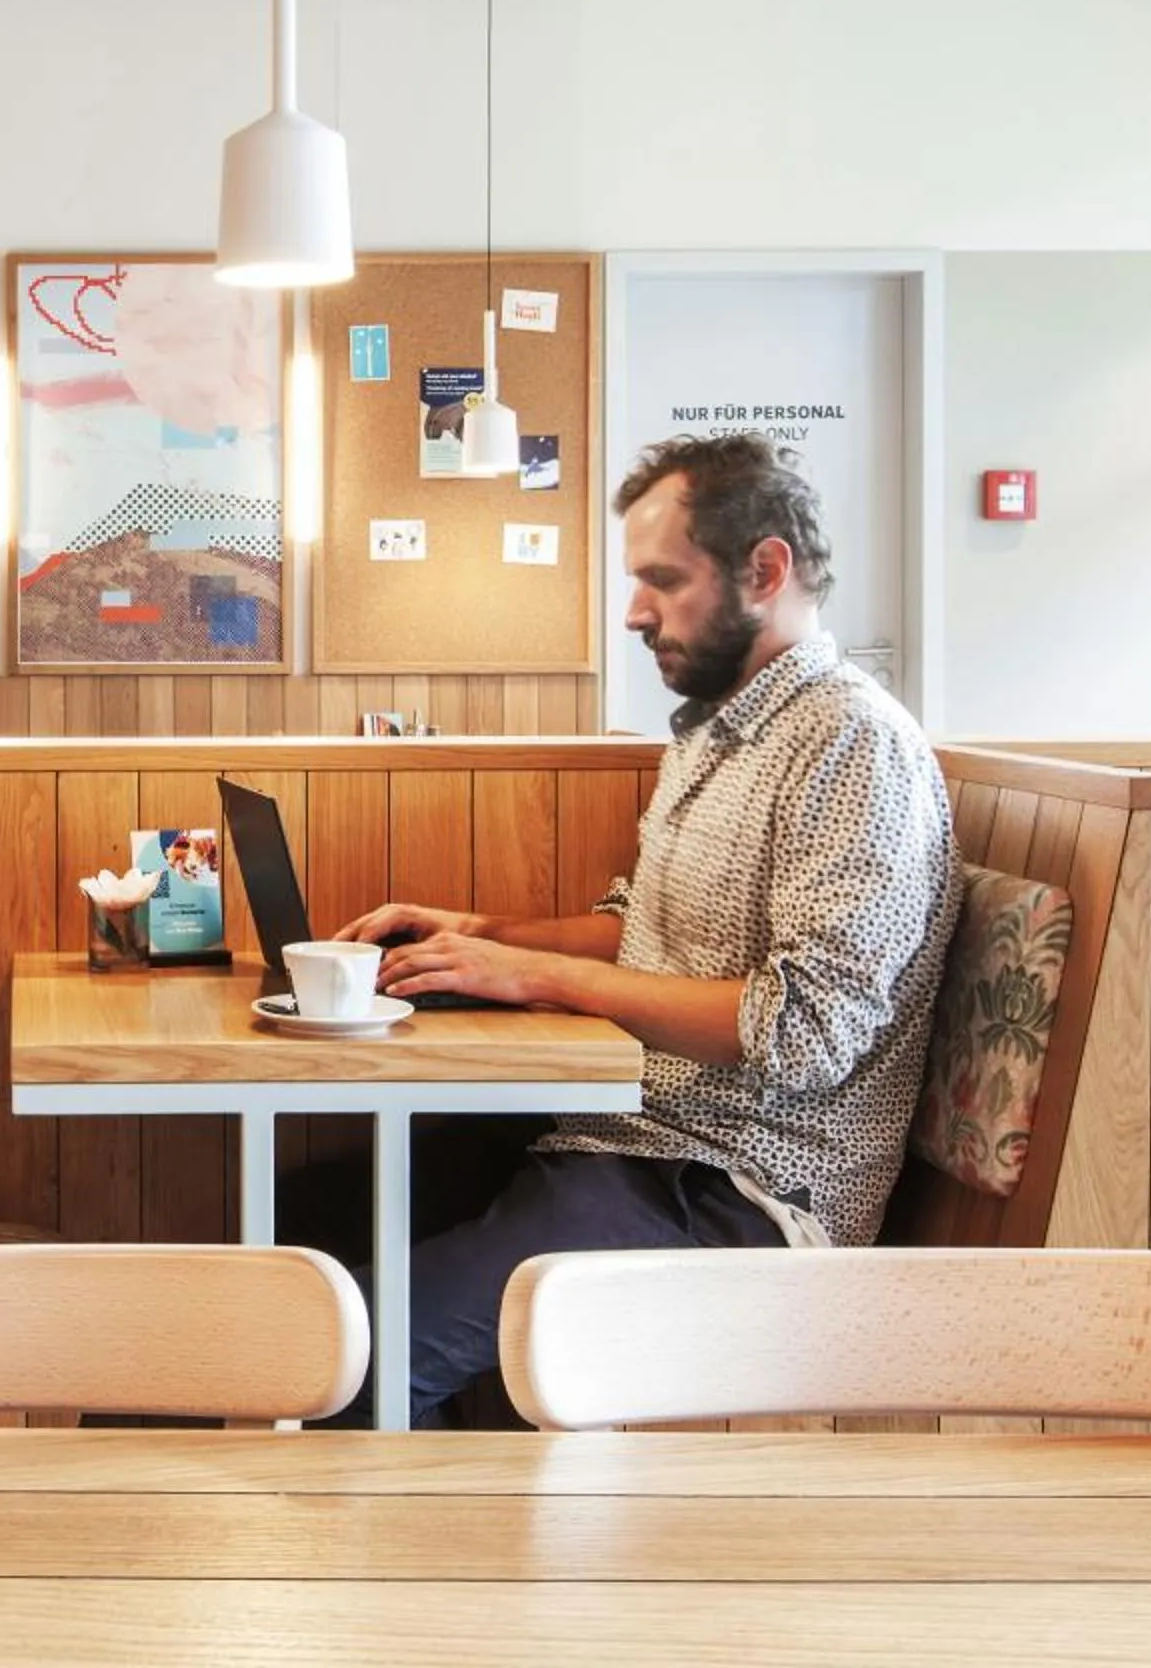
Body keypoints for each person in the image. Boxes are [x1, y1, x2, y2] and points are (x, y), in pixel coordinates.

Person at [298, 431, 963, 1427]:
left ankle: (425, 1565)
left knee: (342, 1366)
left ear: (765, 569)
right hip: (627, 1139)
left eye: (662, 578)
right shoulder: (716, 727)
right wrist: (486, 933)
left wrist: (535, 979)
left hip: (740, 1194)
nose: (632, 610)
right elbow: (643, 926)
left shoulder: (852, 744)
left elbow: (805, 1030)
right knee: (297, 1243)